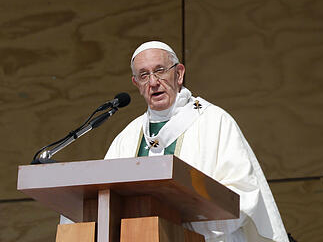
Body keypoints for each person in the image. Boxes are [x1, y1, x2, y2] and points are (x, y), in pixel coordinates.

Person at [105, 41, 288, 242]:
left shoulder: (215, 121)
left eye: (160, 71)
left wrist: (182, 228)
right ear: (136, 84)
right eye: (144, 75)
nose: (153, 82)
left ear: (179, 74)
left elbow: (244, 195)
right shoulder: (127, 138)